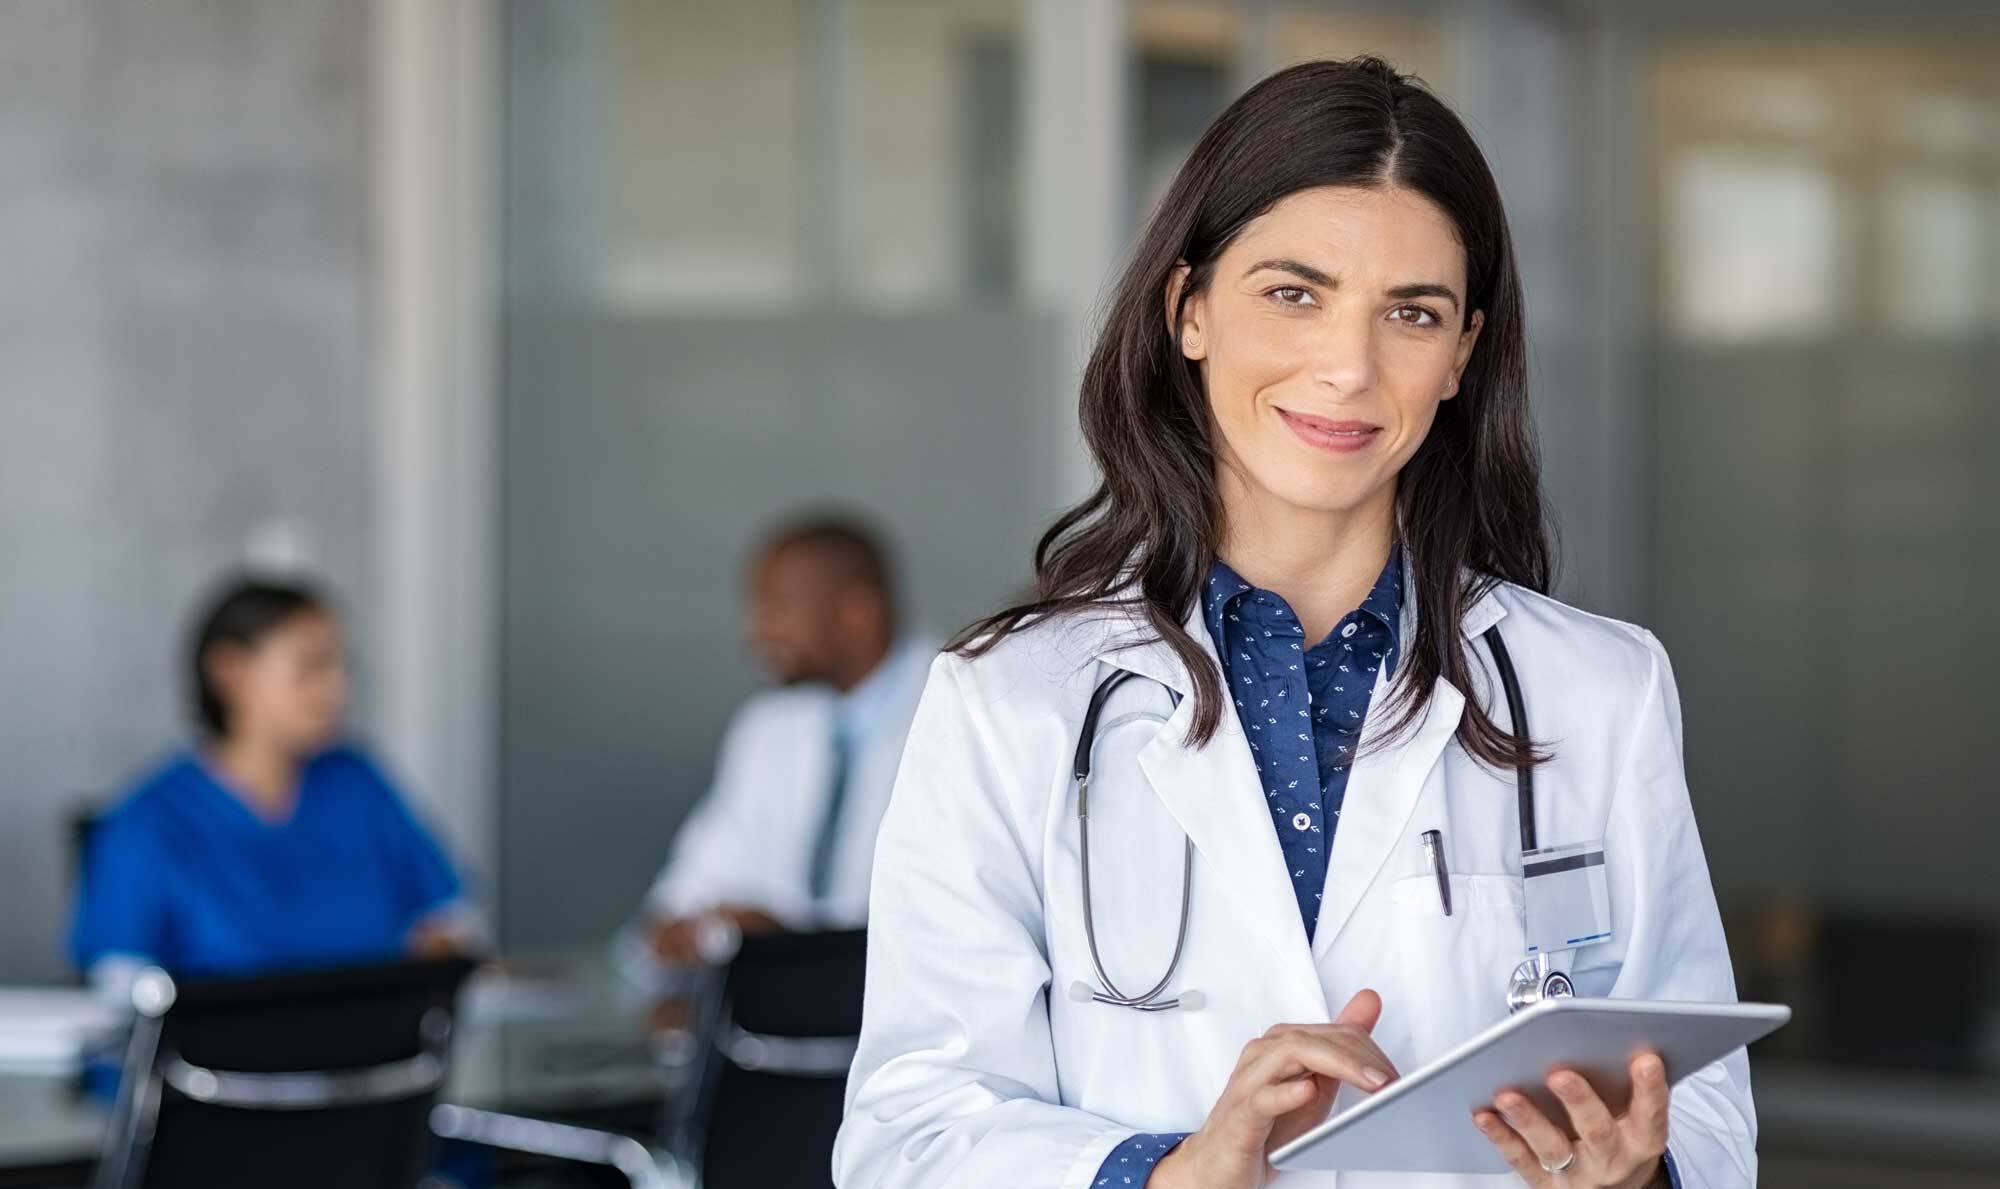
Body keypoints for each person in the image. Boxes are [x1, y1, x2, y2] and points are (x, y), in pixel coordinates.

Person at [835, 58, 1752, 1189]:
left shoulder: (1598, 690)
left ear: (1461, 352)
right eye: (1292, 293)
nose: (1346, 367)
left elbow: (1702, 1114)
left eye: (1409, 313)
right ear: (1189, 312)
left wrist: (1632, 1177)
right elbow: (908, 1132)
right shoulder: (1010, 699)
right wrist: (1163, 1174)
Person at [70, 577, 474, 994]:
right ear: (230, 671)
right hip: (216, 1060)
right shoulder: (146, 824)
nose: (337, 688)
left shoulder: (358, 786)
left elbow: (445, 921)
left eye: (340, 666)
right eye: (311, 666)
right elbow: (121, 994)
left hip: (374, 1055)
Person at [630, 515, 935, 969]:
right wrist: (687, 929)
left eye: (778, 609)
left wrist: (786, 943)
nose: (756, 634)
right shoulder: (768, 728)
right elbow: (685, 893)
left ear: (857, 614)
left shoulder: (960, 717)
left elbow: (939, 929)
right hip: (768, 1024)